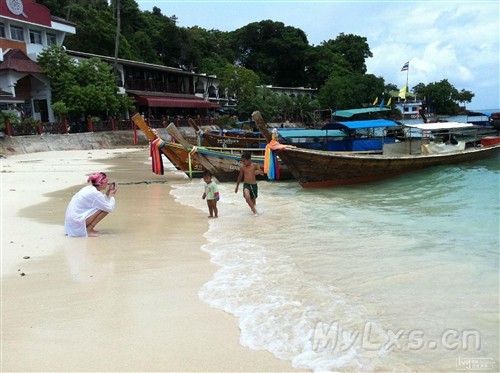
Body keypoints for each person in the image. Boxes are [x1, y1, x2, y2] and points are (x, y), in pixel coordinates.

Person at [64, 172, 117, 237]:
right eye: (106, 182)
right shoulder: (95, 193)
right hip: (76, 223)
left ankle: (87, 229)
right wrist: (112, 196)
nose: (107, 184)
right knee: (105, 209)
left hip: (71, 223)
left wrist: (108, 192)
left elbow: (100, 200)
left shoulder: (88, 189)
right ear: (101, 183)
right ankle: (89, 229)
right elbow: (109, 208)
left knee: (102, 206)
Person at [235, 151, 263, 216]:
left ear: (249, 160)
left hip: (254, 185)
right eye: (242, 161)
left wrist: (258, 172)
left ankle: (254, 211)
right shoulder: (243, 168)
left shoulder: (254, 165)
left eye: (244, 161)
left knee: (253, 202)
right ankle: (255, 212)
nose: (243, 162)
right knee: (247, 197)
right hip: (246, 185)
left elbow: (262, 173)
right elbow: (240, 177)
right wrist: (237, 186)